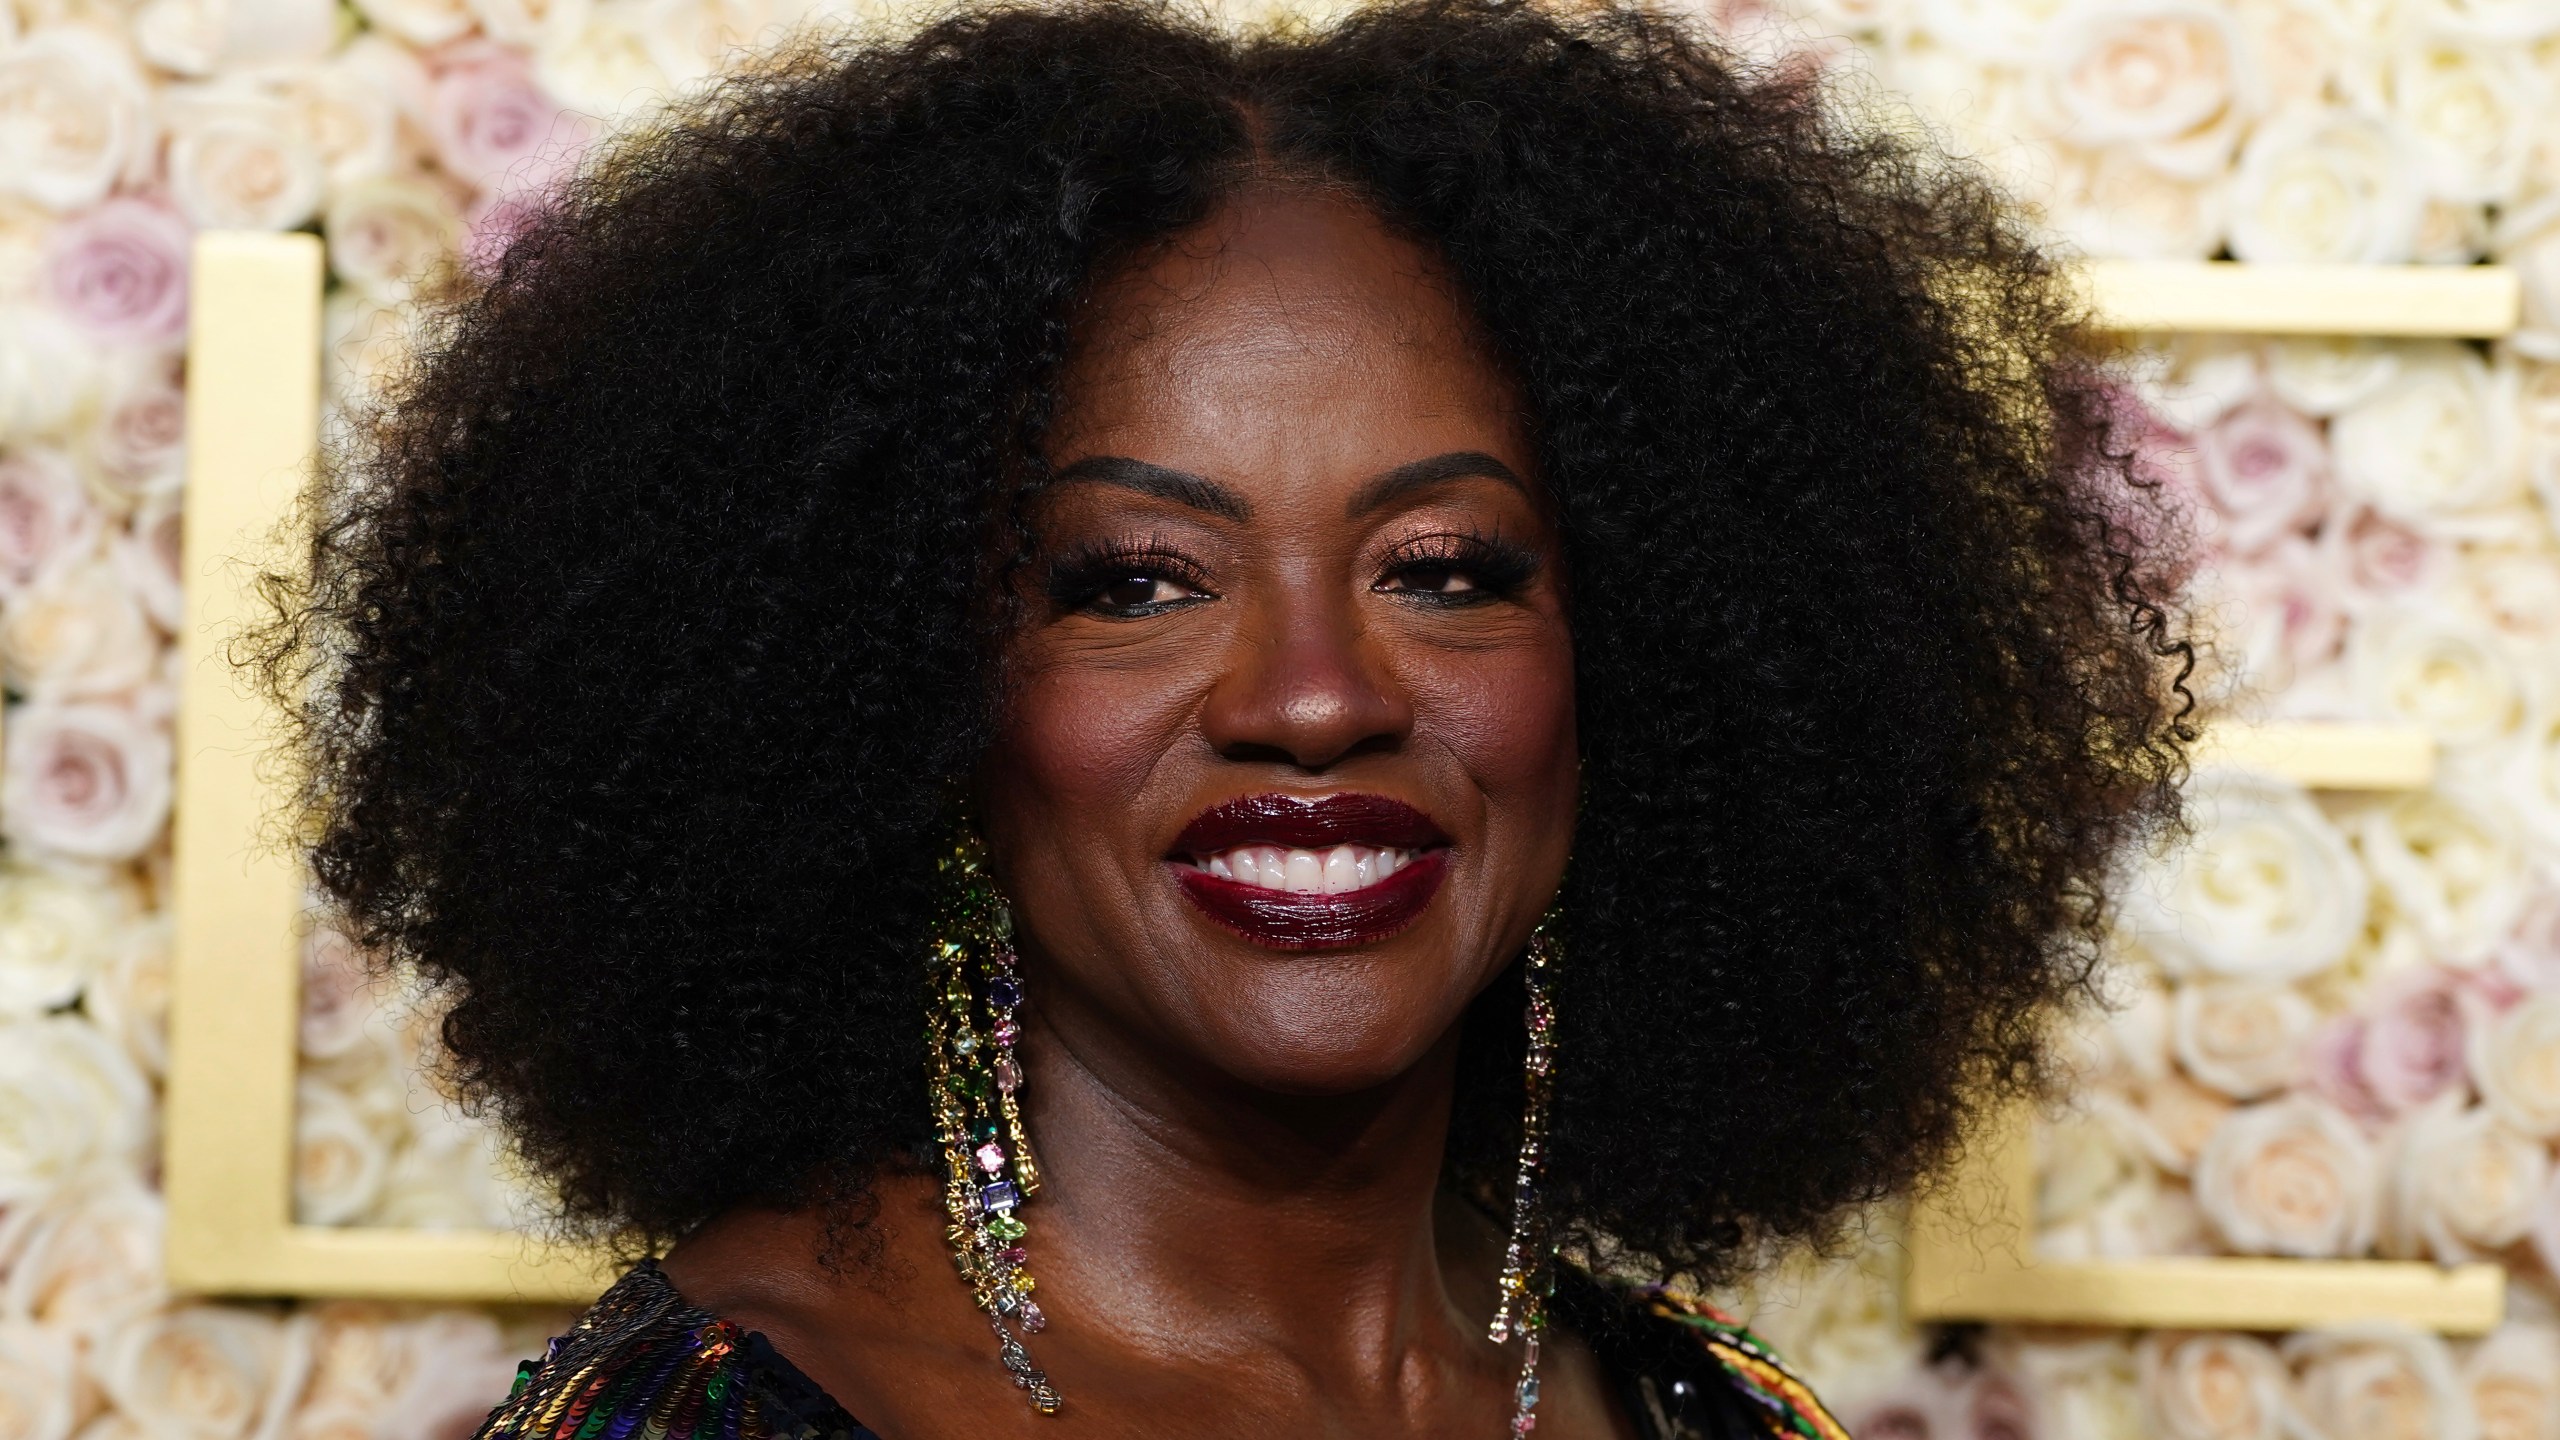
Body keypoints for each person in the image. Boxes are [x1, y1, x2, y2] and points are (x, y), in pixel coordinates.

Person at [252, 0, 2193, 1434]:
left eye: (1444, 566)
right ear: (901, 701)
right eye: (1128, 581)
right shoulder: (715, 1418)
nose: (1314, 695)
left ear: (1639, 679)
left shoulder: (1714, 1419)